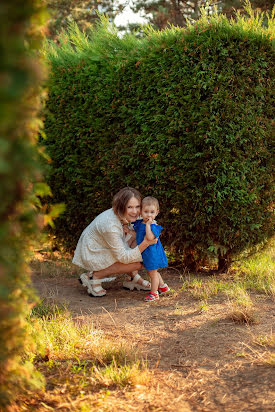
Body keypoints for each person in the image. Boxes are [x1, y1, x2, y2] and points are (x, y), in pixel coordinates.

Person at [72, 187, 158, 297]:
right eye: (130, 207)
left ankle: (134, 278)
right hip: (94, 250)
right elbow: (123, 257)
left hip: (112, 245)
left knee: (138, 245)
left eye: (137, 206)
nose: (135, 211)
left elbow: (152, 223)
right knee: (142, 260)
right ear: (121, 207)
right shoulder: (110, 225)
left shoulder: (133, 214)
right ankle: (95, 276)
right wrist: (146, 243)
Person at [132, 196, 170, 302]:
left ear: (156, 212)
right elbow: (137, 232)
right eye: (146, 212)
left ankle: (154, 293)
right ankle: (163, 287)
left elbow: (149, 238)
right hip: (146, 253)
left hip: (153, 254)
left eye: (152, 212)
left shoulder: (153, 226)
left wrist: (148, 225)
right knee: (152, 272)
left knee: (153, 274)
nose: (149, 215)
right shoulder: (141, 223)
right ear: (141, 212)